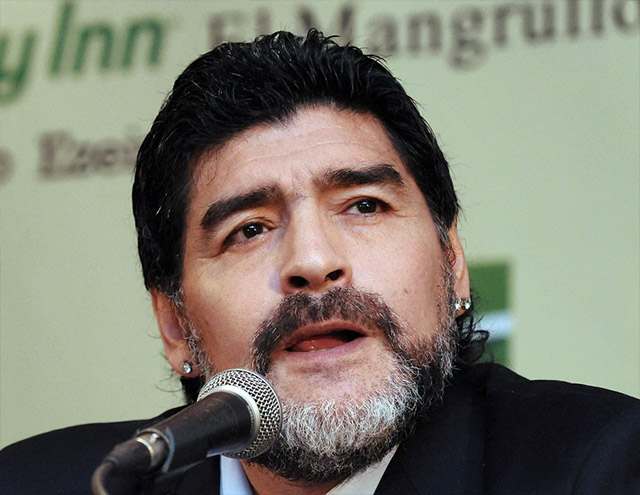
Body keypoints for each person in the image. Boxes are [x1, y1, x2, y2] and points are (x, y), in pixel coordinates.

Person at [1, 30, 639, 495]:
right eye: (249, 230)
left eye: (364, 206)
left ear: (453, 265)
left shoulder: (602, 468)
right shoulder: (51, 482)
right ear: (174, 325)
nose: (312, 261)